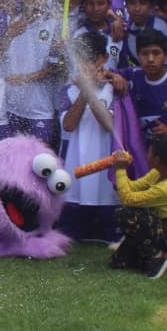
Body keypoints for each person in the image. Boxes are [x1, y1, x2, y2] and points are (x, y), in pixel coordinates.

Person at [57, 32, 122, 243]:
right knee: (69, 234)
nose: (85, 66)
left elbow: (109, 124)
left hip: (105, 168)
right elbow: (68, 124)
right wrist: (85, 91)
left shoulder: (115, 88)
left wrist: (90, 90)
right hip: (75, 168)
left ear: (104, 58)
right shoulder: (68, 91)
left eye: (91, 59)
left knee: (110, 231)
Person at [108, 136, 167, 279]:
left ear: (157, 159)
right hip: (158, 223)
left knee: (124, 214)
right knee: (117, 263)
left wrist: (120, 170)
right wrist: (121, 174)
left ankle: (160, 255)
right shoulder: (158, 172)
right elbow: (133, 187)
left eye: (149, 152)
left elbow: (127, 199)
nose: (146, 154)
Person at [1, 0, 64, 145]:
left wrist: (24, 78)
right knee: (13, 159)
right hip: (12, 108)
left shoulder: (55, 25)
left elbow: (54, 68)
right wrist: (8, 35)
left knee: (40, 158)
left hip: (40, 110)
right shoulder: (10, 20)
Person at [115, 30, 167, 145]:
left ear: (166, 55)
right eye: (145, 54)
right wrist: (115, 76)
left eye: (156, 53)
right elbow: (105, 73)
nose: (150, 59)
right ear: (138, 55)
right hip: (140, 151)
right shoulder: (133, 75)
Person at [119, 0, 167, 69]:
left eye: (143, 3)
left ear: (151, 6)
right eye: (132, 3)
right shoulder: (128, 29)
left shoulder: (159, 27)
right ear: (126, 6)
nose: (137, 8)